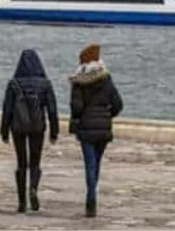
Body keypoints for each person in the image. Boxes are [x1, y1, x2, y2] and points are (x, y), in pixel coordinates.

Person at [0, 49, 59, 213]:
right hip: (37, 127)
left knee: (21, 163)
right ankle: (33, 187)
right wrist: (54, 132)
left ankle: (21, 202)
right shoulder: (45, 84)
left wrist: (4, 131)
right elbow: (52, 110)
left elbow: (7, 110)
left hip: (18, 127)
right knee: (35, 161)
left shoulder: (13, 84)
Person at [68, 43, 124, 218]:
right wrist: (107, 116)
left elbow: (76, 108)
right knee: (97, 164)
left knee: (89, 165)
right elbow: (118, 104)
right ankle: (93, 194)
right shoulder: (107, 79)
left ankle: (90, 198)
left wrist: (80, 115)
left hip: (86, 129)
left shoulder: (79, 82)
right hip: (103, 129)